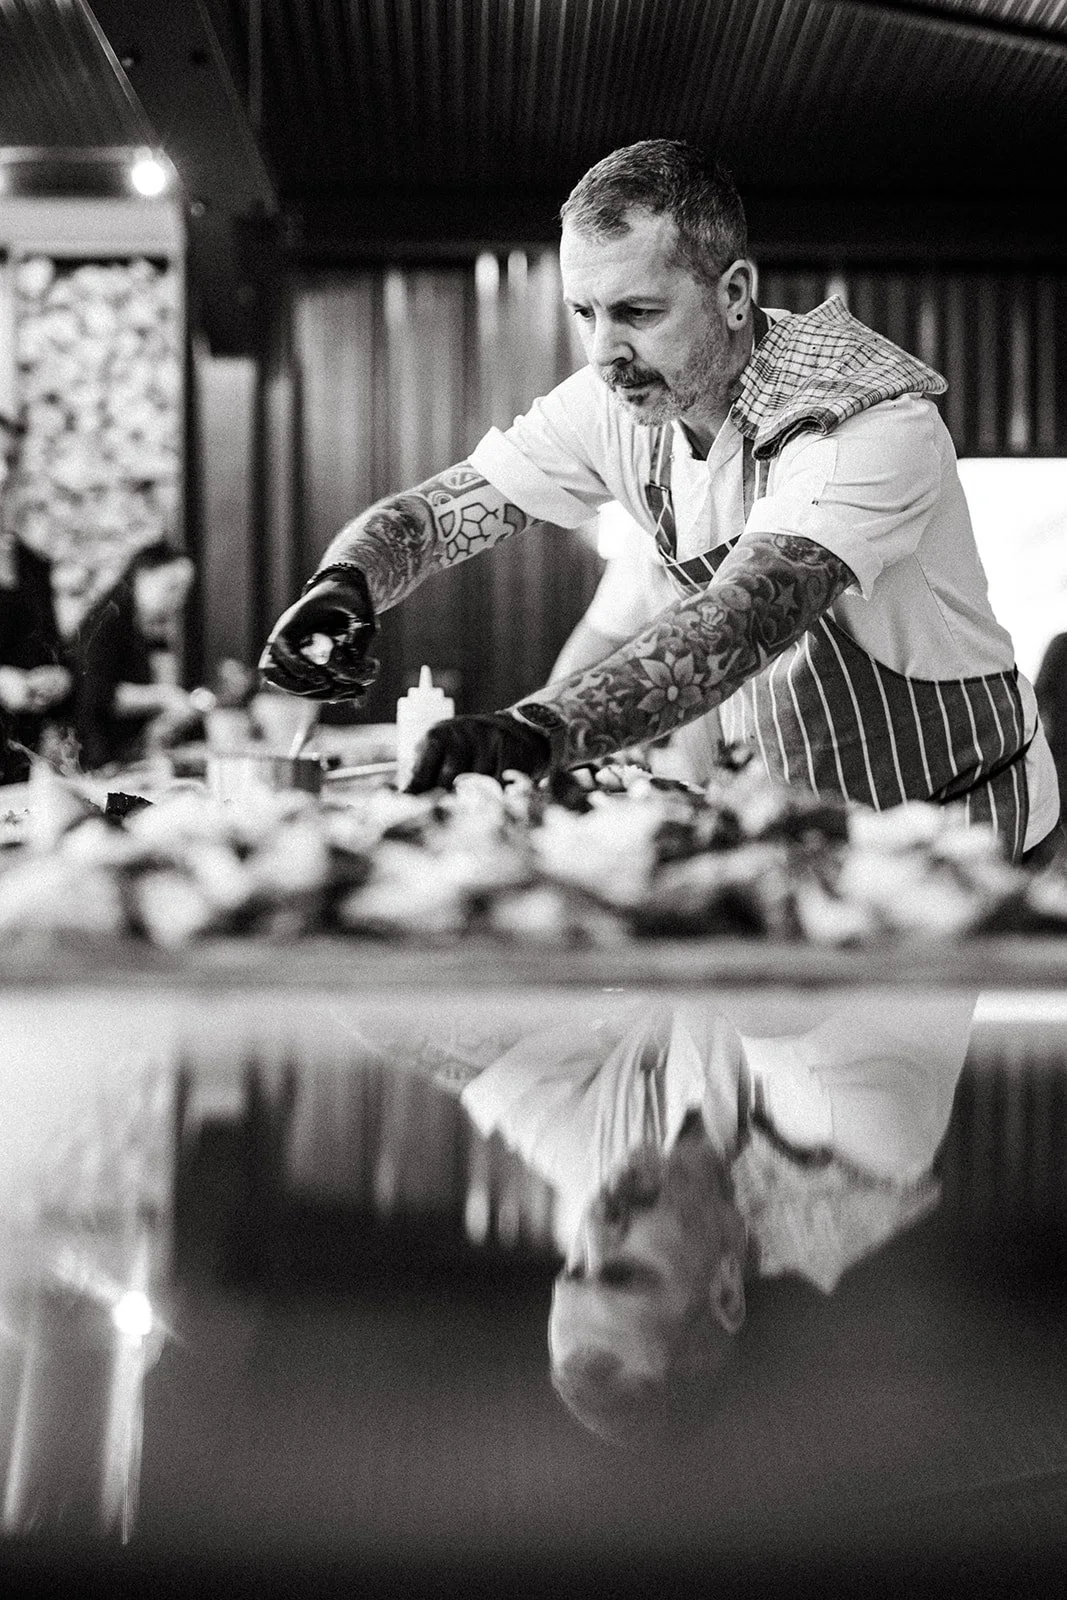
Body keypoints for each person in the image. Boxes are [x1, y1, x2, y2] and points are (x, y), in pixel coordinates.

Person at [260, 138, 1059, 862]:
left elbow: (739, 621)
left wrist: (534, 733)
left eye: (638, 312)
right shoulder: (622, 401)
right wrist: (346, 581)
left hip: (952, 827)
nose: (606, 352)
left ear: (734, 293)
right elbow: (431, 518)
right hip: (797, 828)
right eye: (584, 313)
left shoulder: (864, 422)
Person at [455, 989, 977, 1446]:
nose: (593, 1231)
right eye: (626, 1274)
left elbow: (408, 1027)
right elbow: (757, 955)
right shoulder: (856, 1133)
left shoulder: (615, 1181)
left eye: (573, 1269)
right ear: (725, 1290)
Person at [66, 539, 197, 770]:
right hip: (96, 758)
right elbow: (98, 694)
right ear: (143, 575)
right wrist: (163, 697)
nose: (179, 600)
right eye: (172, 587)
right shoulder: (108, 618)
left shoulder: (148, 622)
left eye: (184, 591)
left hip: (126, 752)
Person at [0, 412, 72, 783]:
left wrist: (60, 676)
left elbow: (50, 644)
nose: (0, 474)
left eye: (9, 461)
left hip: (19, 758)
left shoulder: (32, 562)